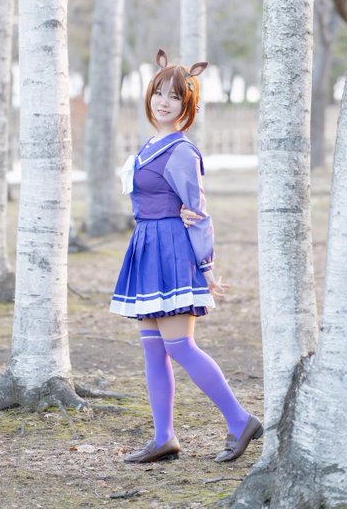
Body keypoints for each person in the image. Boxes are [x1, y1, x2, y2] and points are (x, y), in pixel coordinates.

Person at [110, 49, 263, 463]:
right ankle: (164, 438)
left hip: (172, 254)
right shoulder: (149, 146)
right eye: (159, 92)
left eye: (175, 96)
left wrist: (206, 266)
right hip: (147, 249)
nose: (164, 101)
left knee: (180, 346)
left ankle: (240, 421)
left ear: (187, 104)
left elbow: (198, 212)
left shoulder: (181, 151)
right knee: (153, 350)